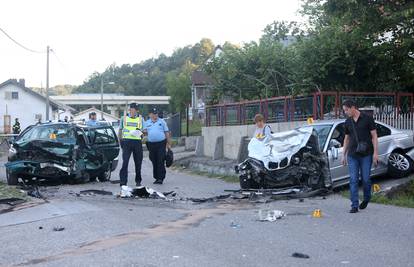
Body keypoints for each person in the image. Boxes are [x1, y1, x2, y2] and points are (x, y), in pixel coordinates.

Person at [342, 99, 378, 213]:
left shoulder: (367, 119)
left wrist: (376, 153)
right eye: (344, 110)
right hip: (352, 155)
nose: (346, 112)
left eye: (347, 110)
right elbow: (346, 139)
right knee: (353, 180)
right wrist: (343, 154)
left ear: (353, 107)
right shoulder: (347, 122)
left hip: (366, 154)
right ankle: (354, 205)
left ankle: (367, 198)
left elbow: (374, 136)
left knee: (366, 179)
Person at [119, 103, 144, 187]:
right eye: (134, 109)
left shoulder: (141, 119)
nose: (135, 111)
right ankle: (123, 182)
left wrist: (140, 133)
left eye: (137, 110)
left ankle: (138, 181)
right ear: (130, 109)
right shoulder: (124, 118)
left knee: (138, 163)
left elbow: (145, 131)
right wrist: (120, 141)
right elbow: (120, 130)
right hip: (126, 142)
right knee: (125, 162)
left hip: (137, 142)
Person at [144, 107, 171, 184]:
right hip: (151, 145)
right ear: (150, 114)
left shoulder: (162, 121)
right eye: (153, 114)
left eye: (156, 114)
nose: (155, 115)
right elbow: (144, 132)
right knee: (154, 160)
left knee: (160, 160)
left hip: (161, 144)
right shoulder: (147, 123)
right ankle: (156, 177)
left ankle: (161, 178)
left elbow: (167, 132)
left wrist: (168, 144)